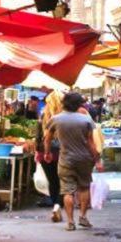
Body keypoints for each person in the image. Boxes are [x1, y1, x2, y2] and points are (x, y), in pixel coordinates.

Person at [45, 92, 101, 231]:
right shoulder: (86, 120)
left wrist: (47, 153)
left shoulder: (56, 119)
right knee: (84, 187)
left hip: (66, 159)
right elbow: (91, 143)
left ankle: (70, 222)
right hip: (84, 159)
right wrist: (98, 159)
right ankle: (83, 217)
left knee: (67, 191)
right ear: (78, 104)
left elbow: (47, 139)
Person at [36, 91, 64, 221]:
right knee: (62, 180)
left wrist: (38, 150)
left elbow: (38, 136)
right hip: (62, 152)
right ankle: (59, 204)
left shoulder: (43, 115)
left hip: (45, 152)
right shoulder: (65, 116)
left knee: (52, 181)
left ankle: (55, 203)